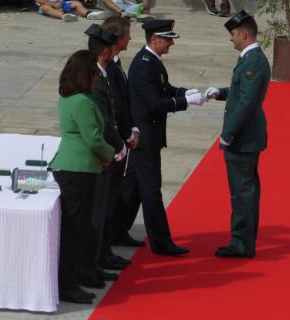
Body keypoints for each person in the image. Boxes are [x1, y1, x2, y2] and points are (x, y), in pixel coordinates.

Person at [127, 19, 206, 256]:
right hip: (145, 138)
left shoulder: (152, 62)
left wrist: (184, 92)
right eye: (168, 39)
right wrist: (184, 102)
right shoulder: (143, 66)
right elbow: (154, 103)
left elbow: (164, 87)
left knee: (131, 189)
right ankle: (161, 242)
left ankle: (115, 230)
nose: (171, 43)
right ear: (155, 39)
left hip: (149, 135)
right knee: (151, 191)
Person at [49, 50, 115, 303]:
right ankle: (67, 284)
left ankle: (71, 279)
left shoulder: (69, 98)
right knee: (75, 230)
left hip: (73, 167)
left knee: (75, 228)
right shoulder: (83, 102)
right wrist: (110, 153)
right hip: (79, 169)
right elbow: (94, 139)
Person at [204, 10, 270, 258]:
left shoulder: (253, 61)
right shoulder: (250, 59)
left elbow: (246, 103)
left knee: (242, 192)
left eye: (233, 34)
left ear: (244, 34)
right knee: (246, 191)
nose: (231, 39)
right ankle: (243, 240)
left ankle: (241, 244)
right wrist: (220, 92)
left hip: (243, 138)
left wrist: (227, 134)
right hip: (246, 136)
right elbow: (240, 91)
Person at [77, 23, 125, 289]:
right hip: (101, 155)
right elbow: (104, 121)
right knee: (95, 215)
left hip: (107, 152)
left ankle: (97, 260)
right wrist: (119, 145)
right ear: (106, 51)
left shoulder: (102, 73)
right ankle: (89, 266)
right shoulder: (94, 78)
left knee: (103, 211)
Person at [103, 17, 146, 248]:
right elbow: (117, 105)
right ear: (119, 38)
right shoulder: (108, 66)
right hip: (114, 141)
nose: (130, 38)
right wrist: (128, 133)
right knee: (109, 195)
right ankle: (107, 241)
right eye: (128, 34)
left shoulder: (116, 63)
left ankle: (114, 236)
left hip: (121, 137)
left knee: (115, 192)